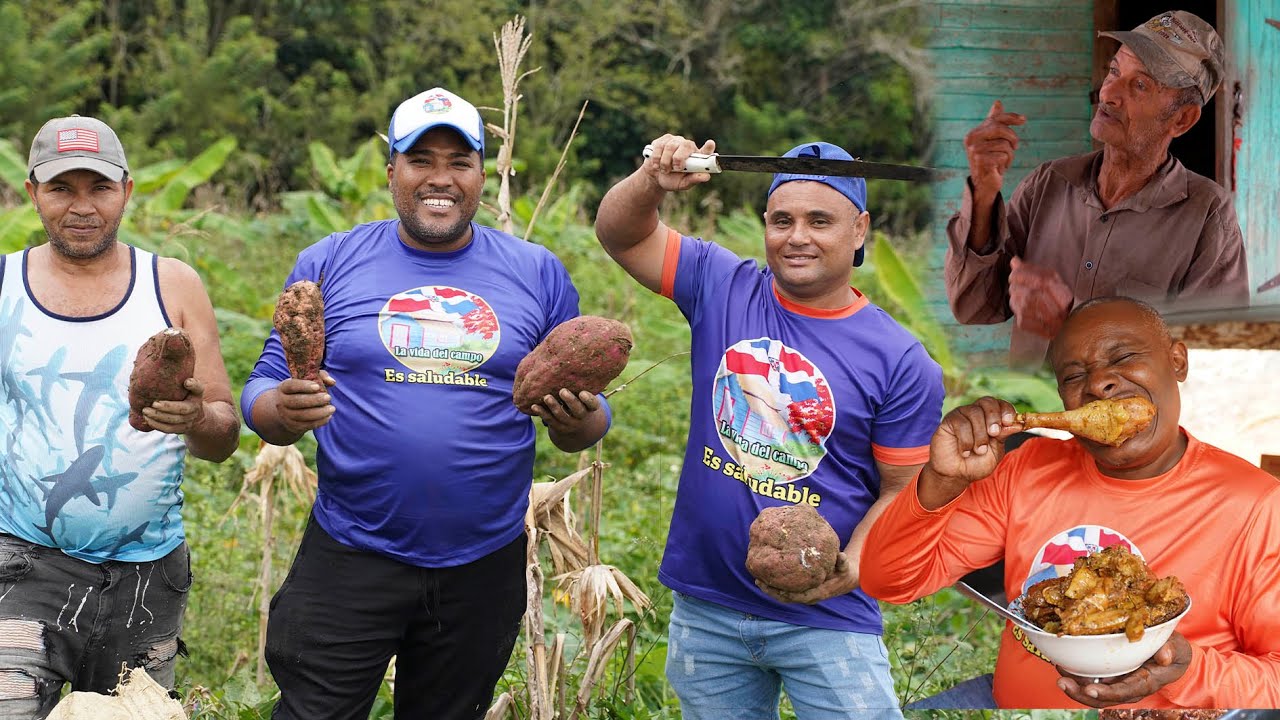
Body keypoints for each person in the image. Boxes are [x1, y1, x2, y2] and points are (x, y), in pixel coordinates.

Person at [241, 87, 610, 720]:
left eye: (459, 161)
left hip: (482, 562)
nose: (440, 178)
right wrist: (283, 409)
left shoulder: (536, 271)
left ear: (481, 175)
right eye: (421, 159)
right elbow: (263, 388)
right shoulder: (329, 261)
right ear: (391, 171)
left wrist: (582, 421)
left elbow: (582, 418)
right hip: (351, 550)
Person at [595, 135, 944, 719]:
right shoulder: (720, 285)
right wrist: (652, 178)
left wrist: (853, 565)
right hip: (708, 609)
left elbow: (903, 490)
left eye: (819, 220)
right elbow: (621, 234)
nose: (797, 236)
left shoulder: (901, 359)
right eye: (782, 220)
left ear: (858, 231)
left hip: (826, 618)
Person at [860, 296, 1280, 709]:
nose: (1098, 384)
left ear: (1177, 361)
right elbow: (890, 582)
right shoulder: (1026, 469)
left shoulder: (1257, 504)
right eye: (1074, 376)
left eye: (1123, 357)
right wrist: (941, 480)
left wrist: (1186, 670)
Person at [0, 115, 240, 717]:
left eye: (99, 188)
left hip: (148, 579)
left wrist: (193, 419)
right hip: (24, 567)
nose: (82, 207)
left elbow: (224, 436)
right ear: (31, 193)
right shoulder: (2, 286)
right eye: (61, 189)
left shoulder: (174, 286)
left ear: (127, 190)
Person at [945, 10, 1248, 367]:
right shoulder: (1049, 183)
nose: (1109, 93)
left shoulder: (1208, 216)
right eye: (1115, 70)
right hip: (1029, 418)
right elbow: (974, 306)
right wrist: (982, 193)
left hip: (1131, 423)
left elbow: (1214, 364)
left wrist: (1077, 324)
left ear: (1182, 119)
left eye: (1140, 85)